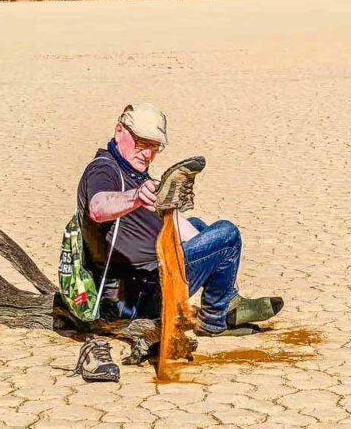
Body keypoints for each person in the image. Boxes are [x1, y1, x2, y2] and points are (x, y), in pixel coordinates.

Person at [77, 102, 283, 337]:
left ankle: (228, 299)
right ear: (119, 131)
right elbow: (98, 207)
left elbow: (176, 225)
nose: (148, 154)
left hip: (146, 283)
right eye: (142, 143)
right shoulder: (103, 170)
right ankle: (216, 320)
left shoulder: (133, 171)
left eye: (155, 147)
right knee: (227, 233)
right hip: (131, 300)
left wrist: (214, 257)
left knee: (201, 228)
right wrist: (134, 197)